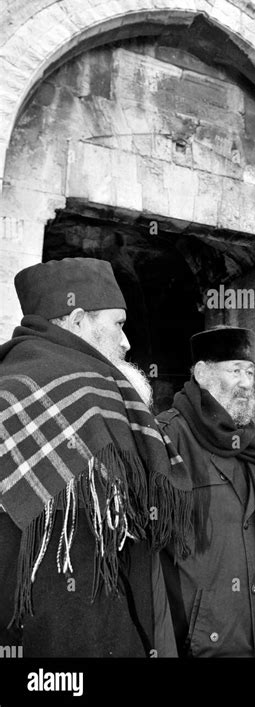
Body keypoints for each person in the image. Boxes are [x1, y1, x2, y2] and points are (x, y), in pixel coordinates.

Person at [0, 257, 192, 657]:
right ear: (76, 320)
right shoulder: (83, 395)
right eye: (119, 324)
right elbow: (78, 571)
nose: (126, 343)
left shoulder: (14, 382)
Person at [156, 326, 255, 657]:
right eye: (235, 370)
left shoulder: (246, 445)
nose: (247, 382)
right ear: (202, 373)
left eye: (250, 371)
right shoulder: (168, 436)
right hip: (200, 638)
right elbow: (152, 547)